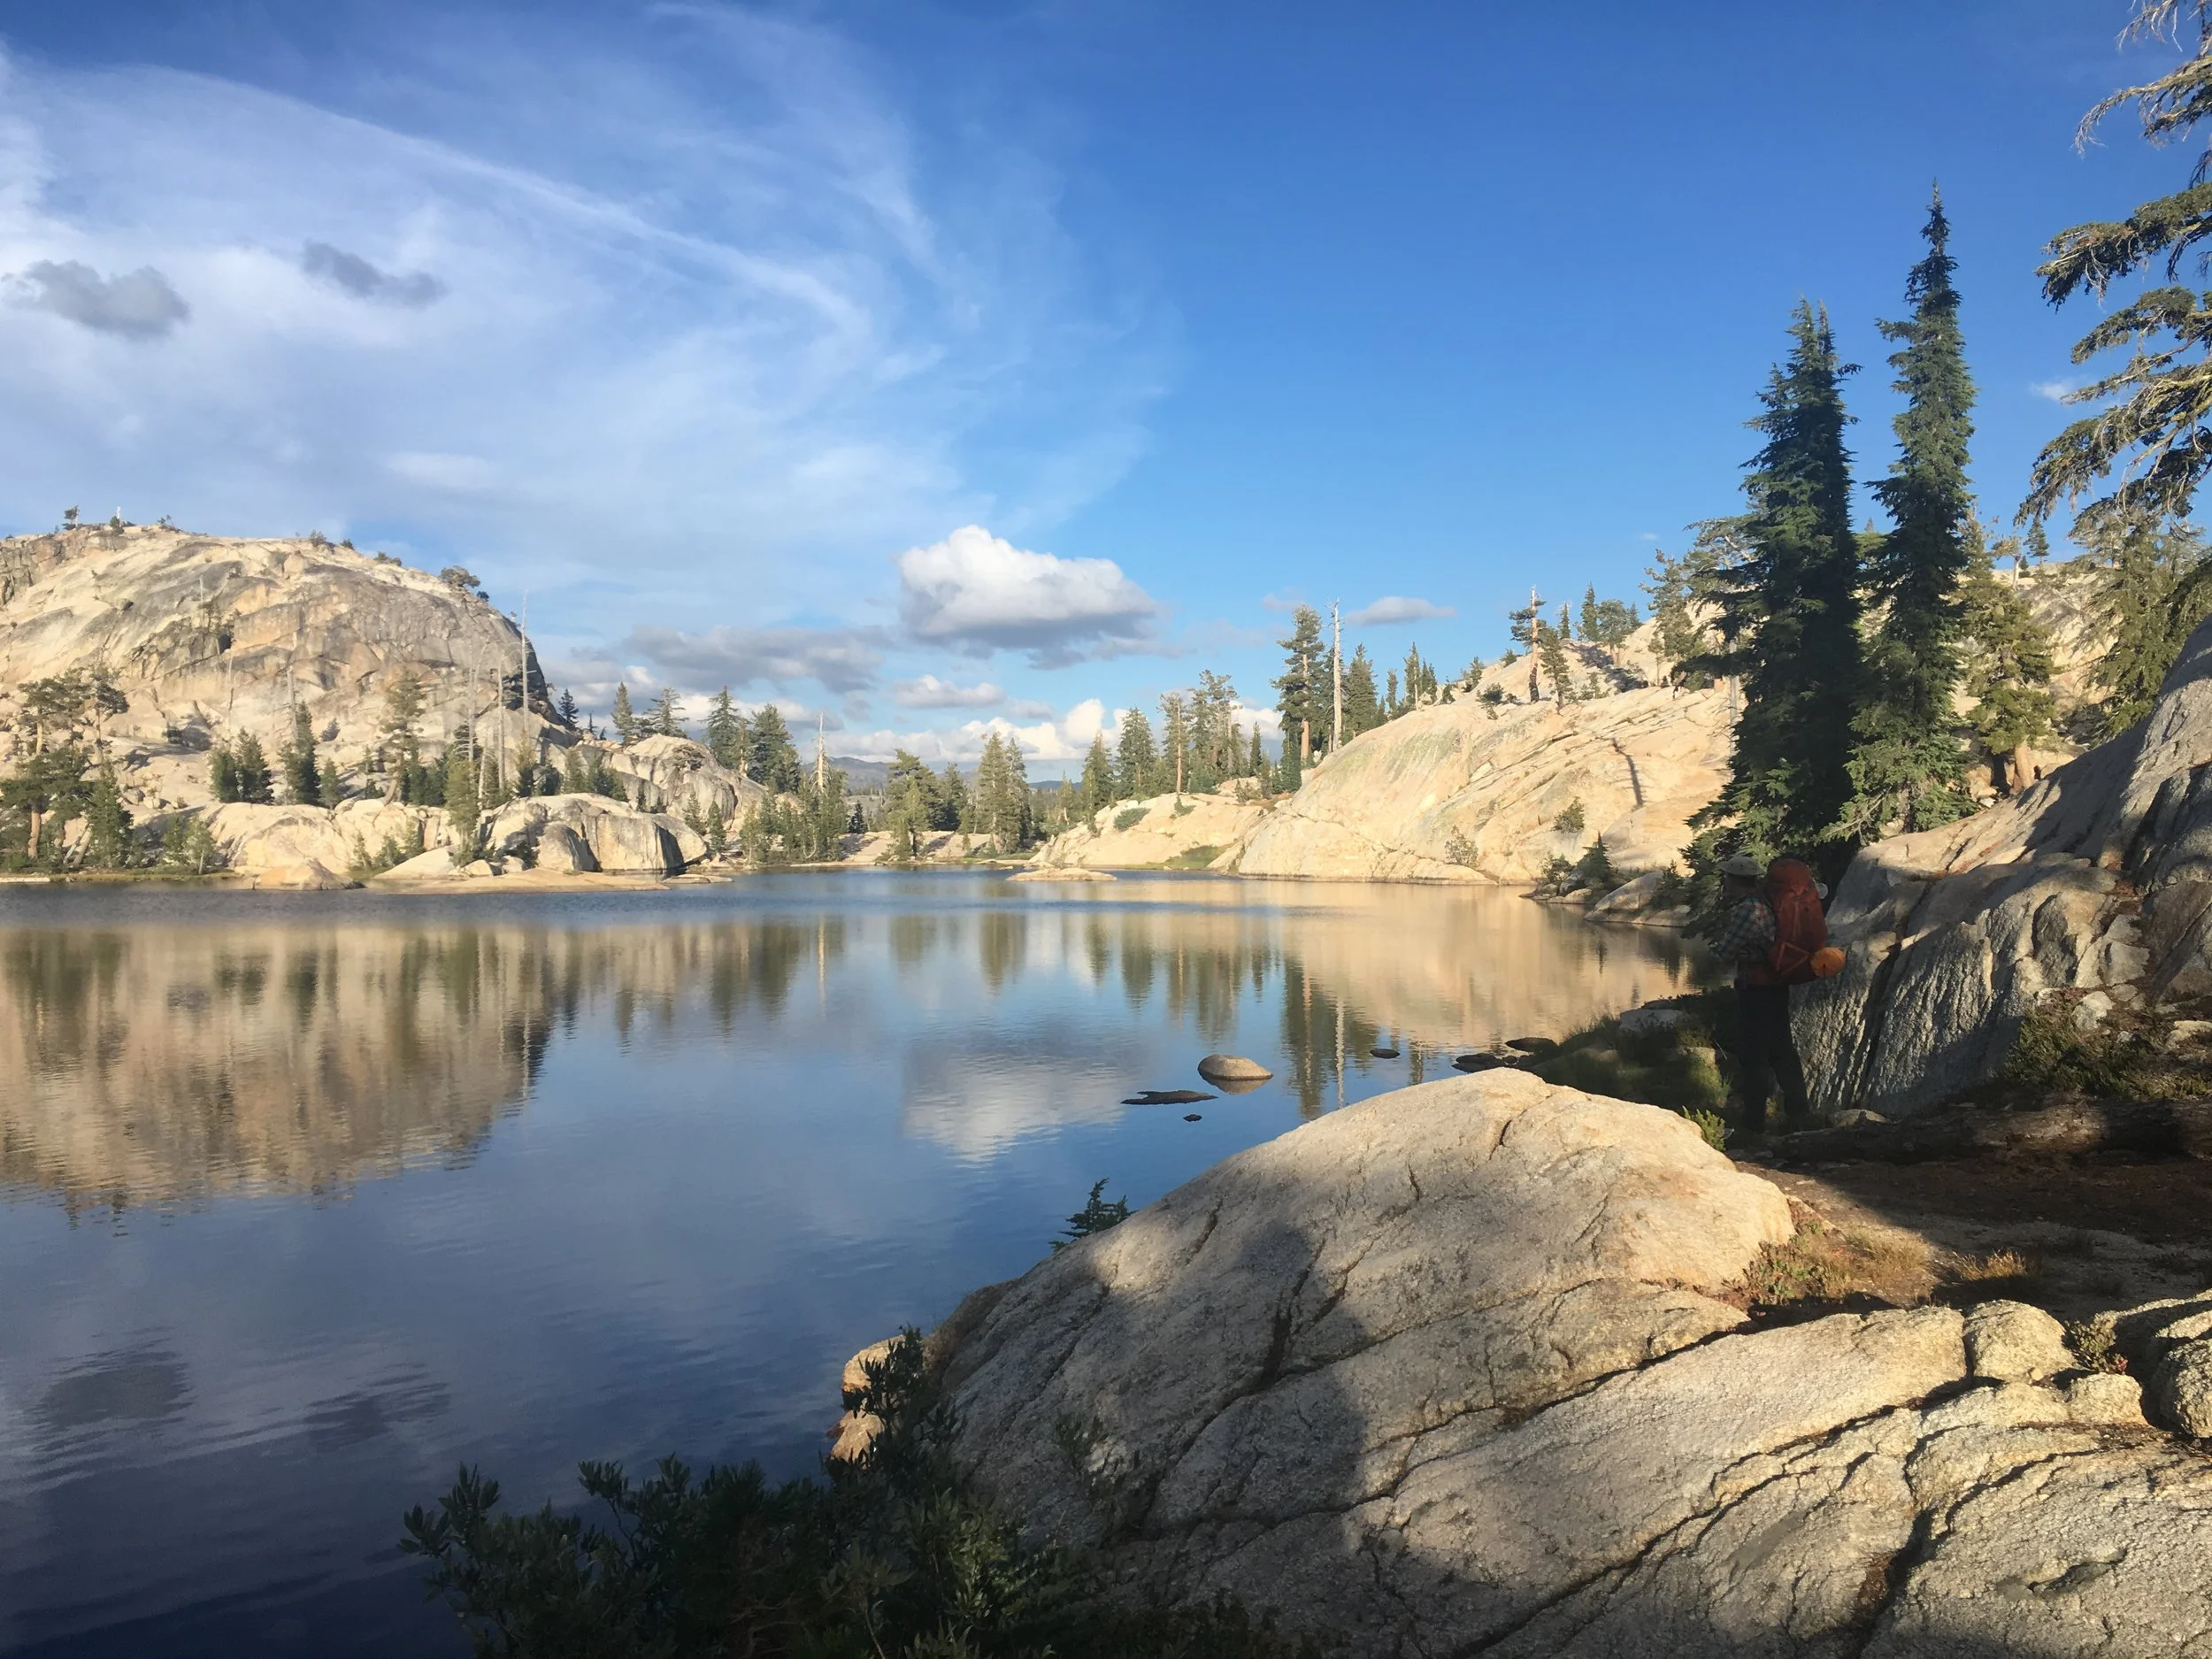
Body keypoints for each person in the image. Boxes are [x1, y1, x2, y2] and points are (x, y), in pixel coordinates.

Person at [1711, 852, 1812, 1130]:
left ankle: (1753, 1121)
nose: (1725, 883)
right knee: (1782, 1050)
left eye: (1727, 878)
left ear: (1733, 879)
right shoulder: (1767, 902)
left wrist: (1735, 952)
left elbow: (1723, 952)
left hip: (1756, 988)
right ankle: (1799, 1113)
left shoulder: (1748, 908)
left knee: (1753, 1053)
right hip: (1777, 985)